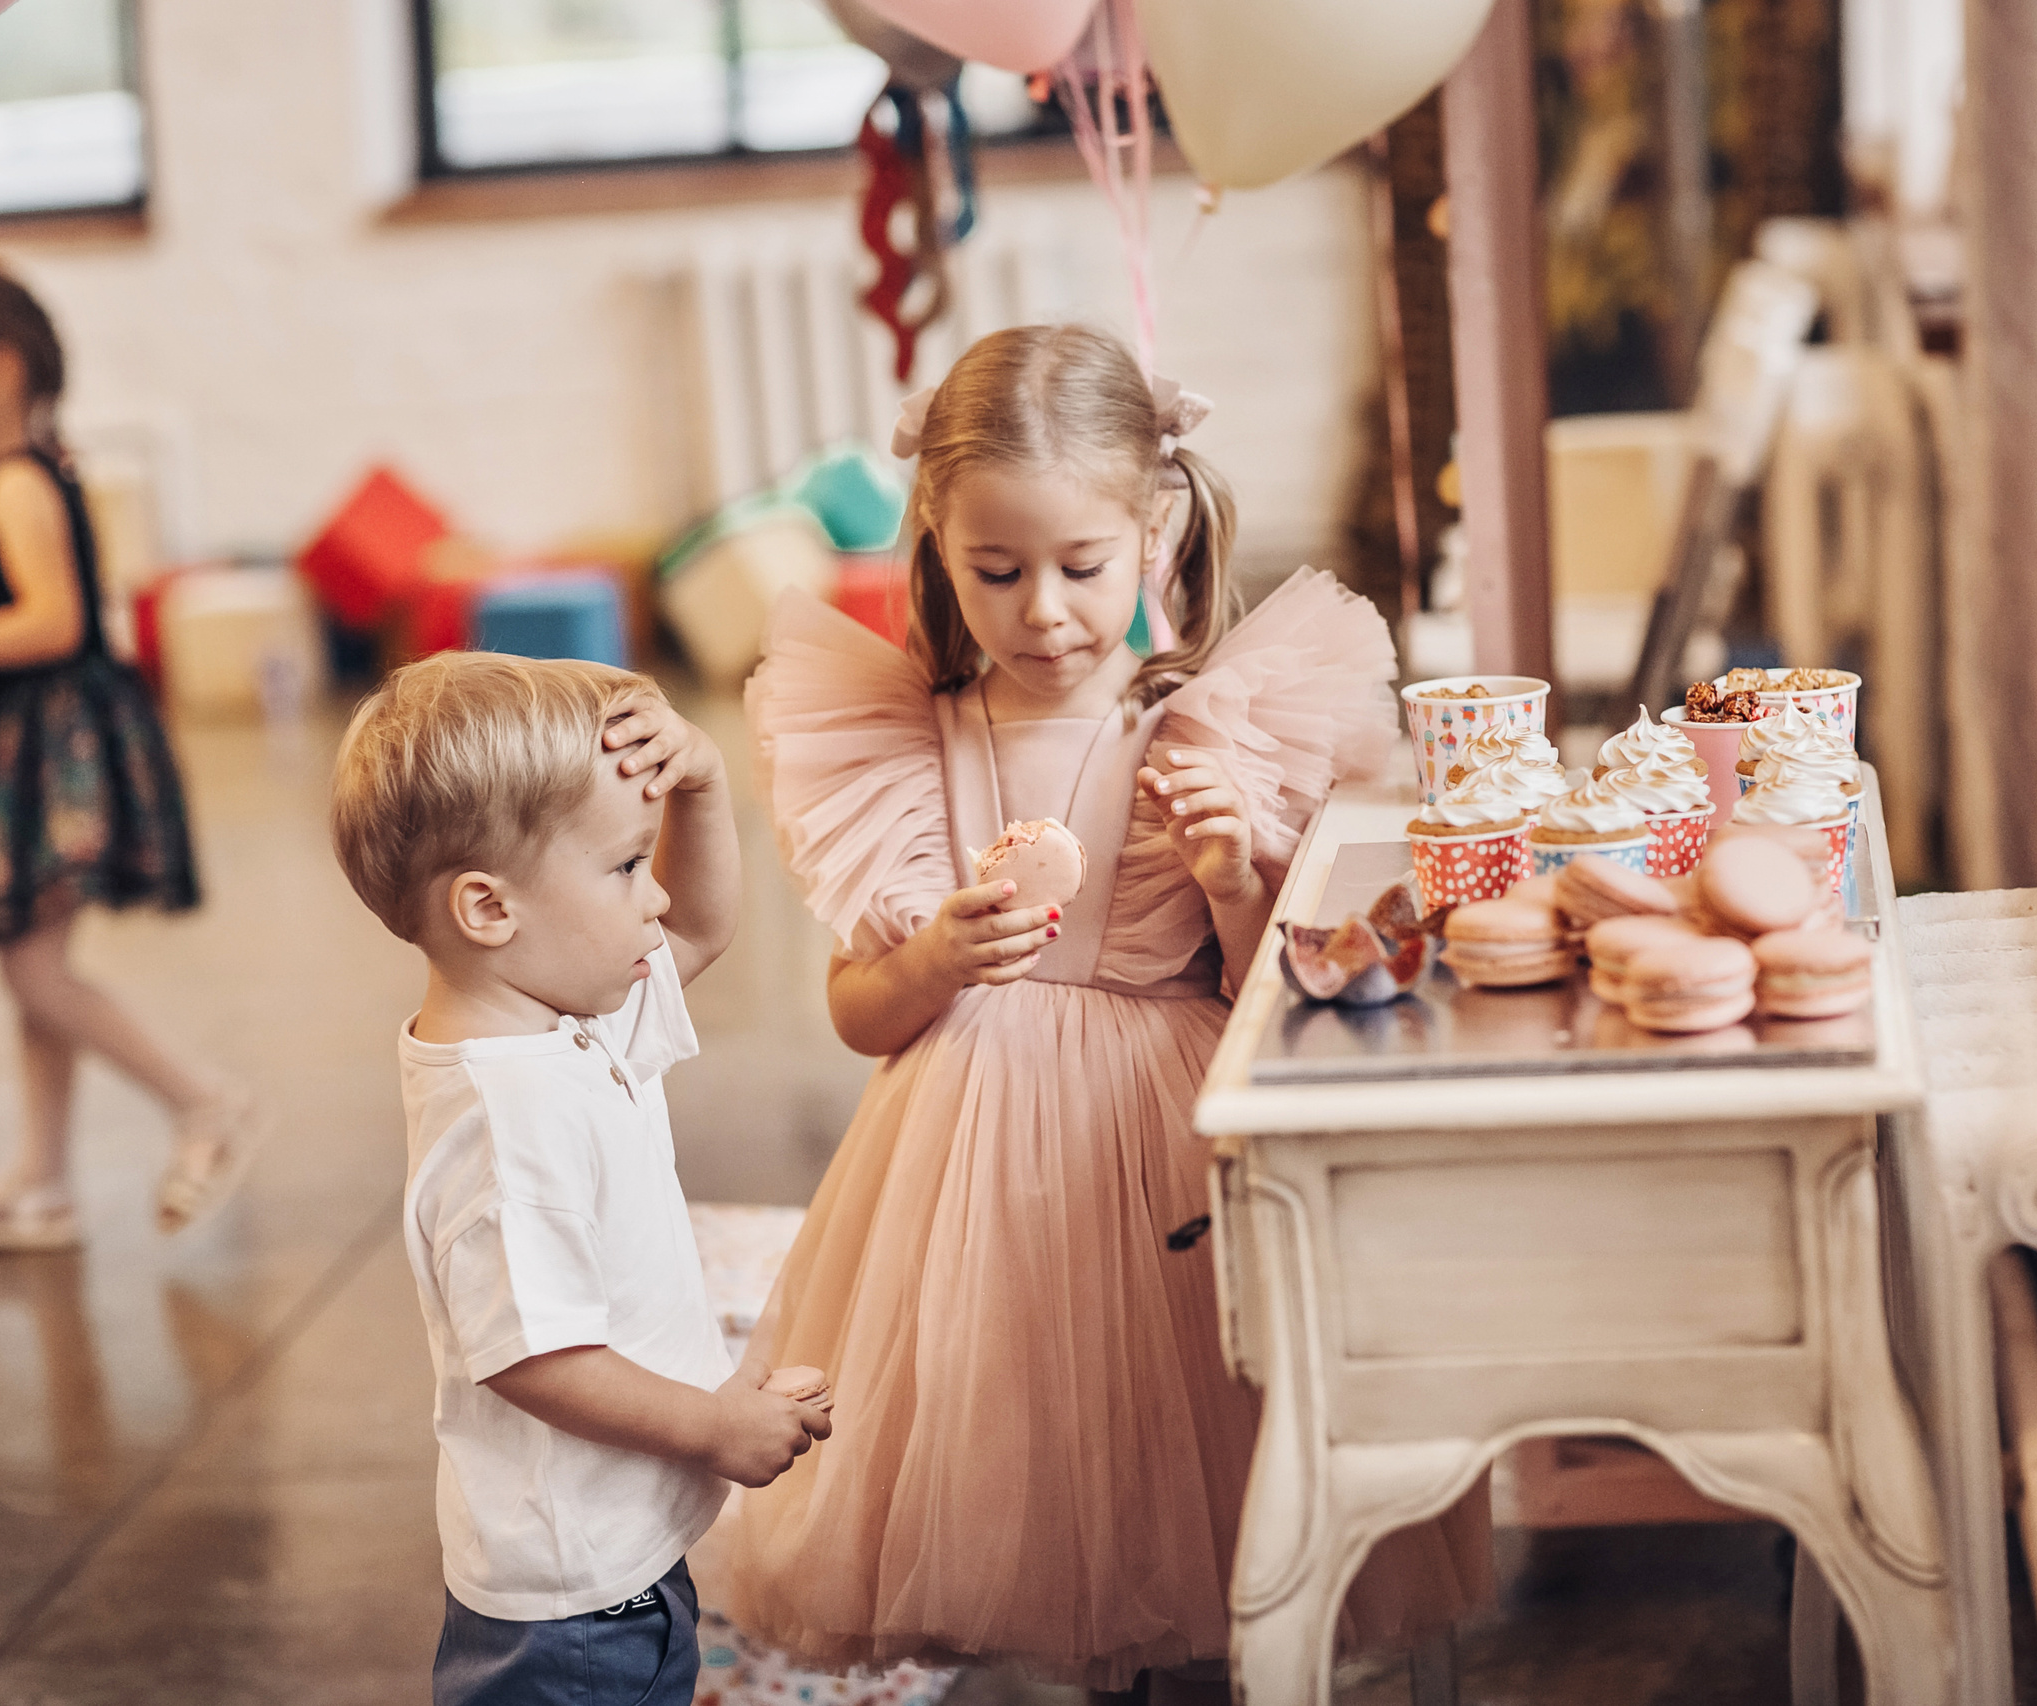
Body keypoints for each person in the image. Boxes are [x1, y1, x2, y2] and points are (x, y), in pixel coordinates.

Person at [729, 324, 1490, 1696]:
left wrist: (1232, 874)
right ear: (939, 547)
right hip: (969, 1178)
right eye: (995, 572)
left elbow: (1283, 985)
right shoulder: (909, 741)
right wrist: (936, 963)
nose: (1041, 614)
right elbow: (857, 1010)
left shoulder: (1216, 724)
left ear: (1156, 531)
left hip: (1170, 1142)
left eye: (1081, 568)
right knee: (1016, 1451)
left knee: (1186, 1455)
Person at [329, 650, 833, 1706]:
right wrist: (717, 1427)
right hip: (572, 1617)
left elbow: (699, 923)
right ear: (488, 907)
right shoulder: (505, 1118)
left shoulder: (567, 1013)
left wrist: (697, 780)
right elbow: (538, 1357)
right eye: (621, 867)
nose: (653, 897)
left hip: (623, 1564)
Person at [0, 261, 250, 1251]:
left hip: (57, 749)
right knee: (32, 962)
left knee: (34, 972)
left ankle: (203, 1102)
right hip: (36, 727)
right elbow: (47, 641)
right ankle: (42, 1179)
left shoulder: (18, 483)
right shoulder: (29, 469)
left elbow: (53, 623)